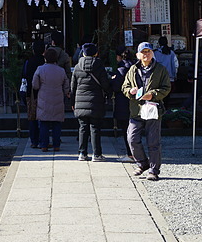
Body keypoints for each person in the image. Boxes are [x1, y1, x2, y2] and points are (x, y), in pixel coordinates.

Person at [121, 41, 172, 181]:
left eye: (148, 51)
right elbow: (124, 87)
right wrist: (130, 91)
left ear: (152, 53)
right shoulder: (132, 69)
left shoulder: (160, 69)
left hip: (153, 109)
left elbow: (166, 87)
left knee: (153, 141)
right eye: (143, 52)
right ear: (138, 55)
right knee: (132, 138)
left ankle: (154, 170)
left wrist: (154, 94)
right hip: (136, 109)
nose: (146, 54)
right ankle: (143, 163)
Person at [70, 43, 112, 162]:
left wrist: (72, 102)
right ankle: (97, 154)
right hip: (96, 101)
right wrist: (109, 93)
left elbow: (73, 87)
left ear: (82, 53)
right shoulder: (99, 66)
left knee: (82, 128)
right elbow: (104, 84)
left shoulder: (78, 66)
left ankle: (82, 153)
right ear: (96, 53)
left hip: (80, 101)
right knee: (95, 128)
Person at [32, 48, 70, 152]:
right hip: (57, 97)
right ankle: (56, 145)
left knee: (44, 123)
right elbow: (66, 85)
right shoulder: (61, 70)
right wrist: (66, 92)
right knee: (56, 123)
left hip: (44, 97)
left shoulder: (40, 69)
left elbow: (35, 85)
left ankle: (44, 145)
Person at [21, 39, 46, 148]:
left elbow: (24, 76)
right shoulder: (45, 62)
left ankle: (33, 141)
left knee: (32, 116)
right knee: (43, 118)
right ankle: (42, 140)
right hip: (44, 91)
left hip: (31, 92)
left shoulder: (28, 62)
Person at [111, 48, 134, 162]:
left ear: (119, 56)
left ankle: (130, 154)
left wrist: (113, 79)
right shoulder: (136, 68)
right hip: (135, 102)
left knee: (126, 129)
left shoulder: (121, 70)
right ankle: (135, 153)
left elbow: (116, 87)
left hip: (123, 102)